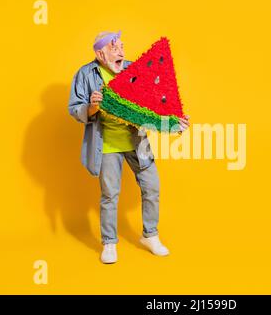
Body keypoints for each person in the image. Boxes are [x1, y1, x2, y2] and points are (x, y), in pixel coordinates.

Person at [68, 31, 190, 263]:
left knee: (152, 187)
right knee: (110, 195)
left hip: (137, 142)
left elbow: (156, 104)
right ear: (100, 53)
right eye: (114, 48)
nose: (121, 52)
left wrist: (175, 122)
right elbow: (75, 108)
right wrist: (93, 108)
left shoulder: (134, 70)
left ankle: (150, 236)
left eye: (122, 46)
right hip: (105, 145)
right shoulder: (86, 74)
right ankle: (110, 243)